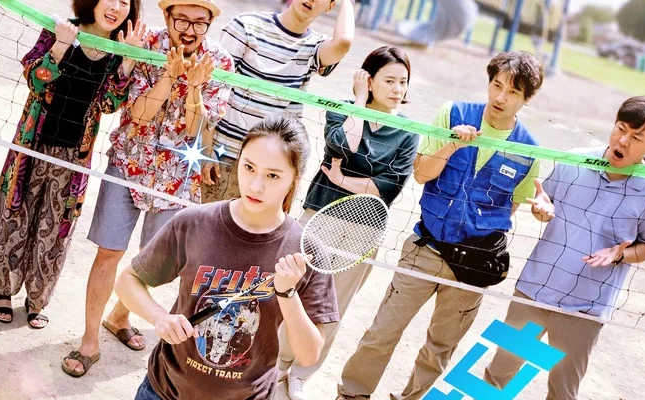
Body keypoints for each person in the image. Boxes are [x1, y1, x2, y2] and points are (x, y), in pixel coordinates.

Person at [335, 51, 545, 400]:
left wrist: (539, 210)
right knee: (382, 331)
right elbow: (421, 174)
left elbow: (509, 210)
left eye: (512, 92)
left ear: (526, 99)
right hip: (426, 248)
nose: (500, 97)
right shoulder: (453, 113)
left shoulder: (530, 150)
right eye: (496, 85)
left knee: (439, 348)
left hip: (472, 267)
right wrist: (450, 144)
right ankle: (352, 394)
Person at [62, 0, 233, 377]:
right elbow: (138, 115)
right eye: (182, 20)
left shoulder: (219, 61)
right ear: (167, 17)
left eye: (199, 23)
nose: (189, 31)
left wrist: (194, 87)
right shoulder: (144, 44)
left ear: (209, 24)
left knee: (154, 261)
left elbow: (196, 129)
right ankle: (89, 340)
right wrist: (169, 76)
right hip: (129, 161)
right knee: (109, 252)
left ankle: (119, 316)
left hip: (177, 174)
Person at [114, 114, 340, 400]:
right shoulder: (193, 223)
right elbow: (127, 281)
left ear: (294, 179)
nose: (255, 186)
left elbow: (308, 355)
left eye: (272, 175)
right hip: (163, 390)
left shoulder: (306, 250)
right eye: (249, 167)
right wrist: (160, 317)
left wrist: (287, 293)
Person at [484, 96, 645, 400]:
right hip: (534, 291)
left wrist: (620, 254)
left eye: (636, 137)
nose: (623, 140)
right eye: (620, 128)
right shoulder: (575, 160)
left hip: (584, 310)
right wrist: (541, 211)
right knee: (497, 376)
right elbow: (544, 206)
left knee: (562, 391)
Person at [0, 0, 144, 328]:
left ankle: (37, 299)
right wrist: (59, 46)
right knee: (16, 214)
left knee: (54, 225)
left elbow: (109, 104)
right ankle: (3, 290)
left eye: (125, 2)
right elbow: (36, 79)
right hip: (31, 147)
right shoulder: (60, 28)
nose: (116, 7)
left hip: (75, 157)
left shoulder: (118, 49)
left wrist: (128, 60)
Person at [278, 45, 420, 400]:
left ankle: (302, 373)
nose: (397, 89)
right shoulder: (342, 109)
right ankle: (276, 364)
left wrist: (342, 179)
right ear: (368, 80)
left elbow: (387, 189)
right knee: (292, 292)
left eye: (403, 82)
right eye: (389, 80)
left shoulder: (408, 132)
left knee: (331, 308)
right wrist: (358, 102)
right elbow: (341, 146)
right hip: (318, 216)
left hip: (363, 232)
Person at [201, 0, 355, 203]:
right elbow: (212, 90)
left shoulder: (315, 46)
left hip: (273, 168)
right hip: (224, 156)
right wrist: (206, 149)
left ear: (330, 6)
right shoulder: (247, 25)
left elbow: (343, 42)